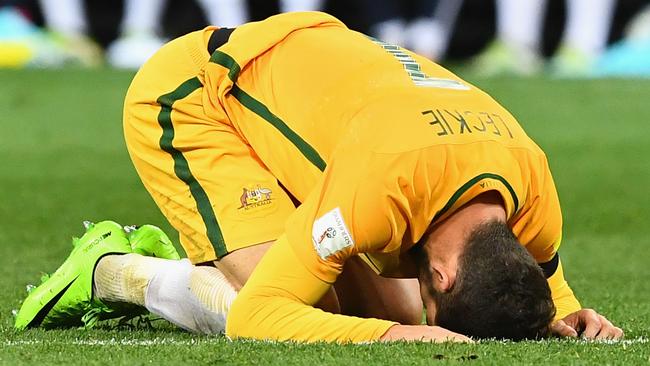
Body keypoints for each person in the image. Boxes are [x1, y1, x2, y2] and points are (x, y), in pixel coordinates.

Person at [15, 11, 623, 343]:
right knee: (316, 313)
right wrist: (391, 339)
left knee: (389, 312)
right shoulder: (380, 186)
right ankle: (115, 272)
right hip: (198, 97)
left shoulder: (531, 186)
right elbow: (261, 315)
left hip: (316, 78)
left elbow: (542, 280)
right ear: (440, 272)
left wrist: (564, 315)